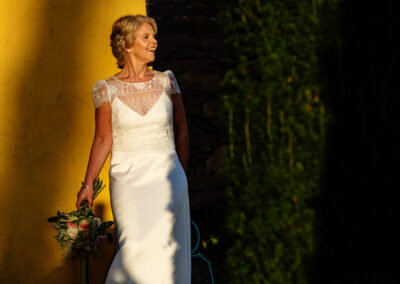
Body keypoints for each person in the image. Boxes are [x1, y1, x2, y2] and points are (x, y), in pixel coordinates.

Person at [76, 14, 191, 283]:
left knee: (168, 254)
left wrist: (181, 173)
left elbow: (182, 130)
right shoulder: (106, 89)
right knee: (132, 253)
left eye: (154, 36)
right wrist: (88, 184)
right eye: (146, 37)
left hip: (169, 178)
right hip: (127, 179)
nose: (154, 42)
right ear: (126, 45)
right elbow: (103, 138)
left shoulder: (166, 81)